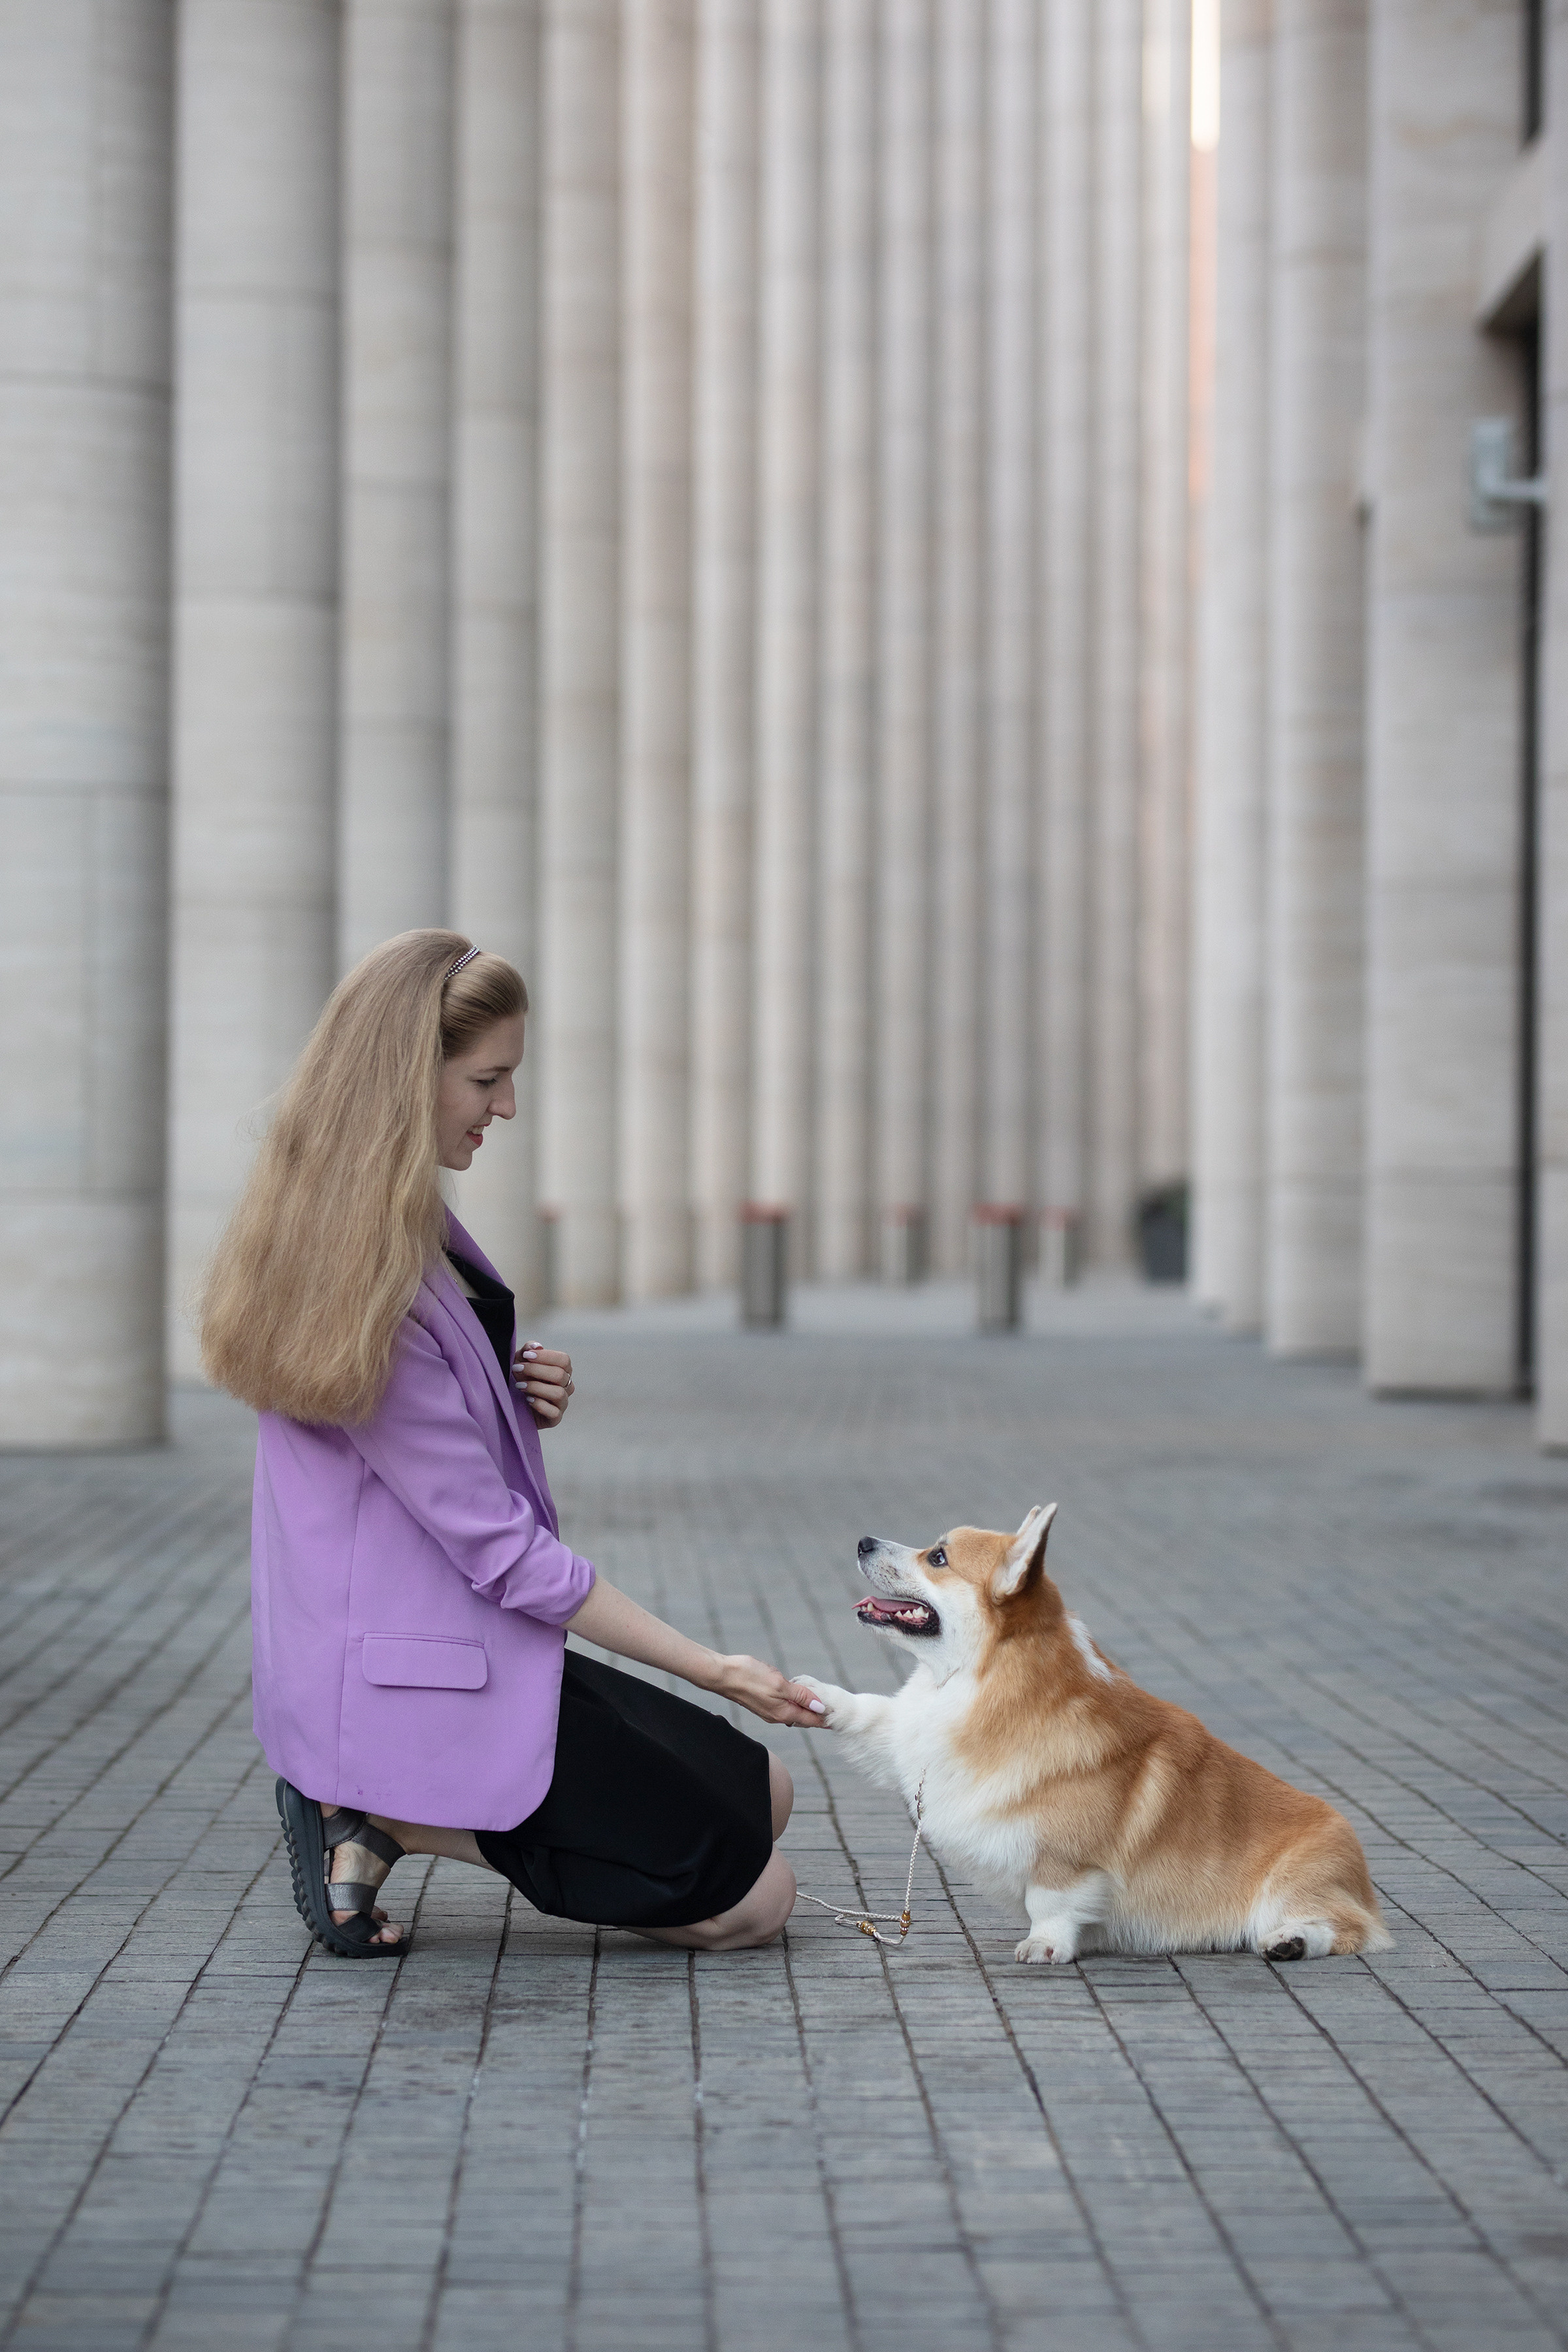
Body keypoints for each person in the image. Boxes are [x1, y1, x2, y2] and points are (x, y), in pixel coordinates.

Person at [201, 929, 824, 1958]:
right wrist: (715, 1668)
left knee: (769, 1794)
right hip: (416, 1671)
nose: (508, 1107)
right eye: (487, 1078)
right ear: (408, 1077)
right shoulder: (368, 1279)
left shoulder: (385, 1225)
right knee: (755, 1904)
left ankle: (387, 1815)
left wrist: (508, 1381)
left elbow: (407, 1432)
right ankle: (388, 1815)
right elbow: (501, 1550)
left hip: (451, 1640)